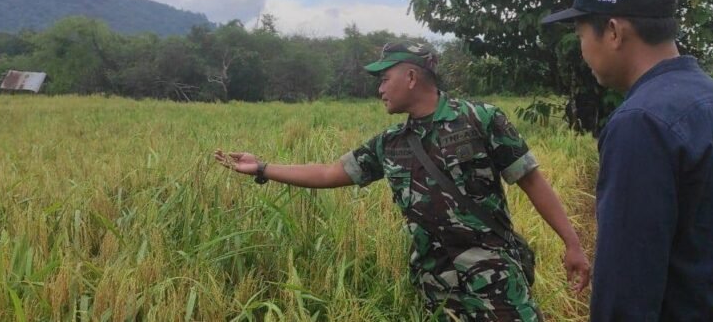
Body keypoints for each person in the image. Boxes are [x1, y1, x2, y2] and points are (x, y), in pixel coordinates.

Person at [215, 42, 590, 321]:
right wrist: (262, 167)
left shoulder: (481, 120)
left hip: (495, 278)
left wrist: (572, 244)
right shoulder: (390, 144)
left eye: (384, 78)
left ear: (411, 77)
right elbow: (329, 173)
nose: (379, 88)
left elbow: (531, 181)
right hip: (436, 282)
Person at [541, 0, 713, 321]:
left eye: (581, 34)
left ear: (613, 31)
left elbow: (626, 289)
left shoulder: (640, 123)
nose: (582, 50)